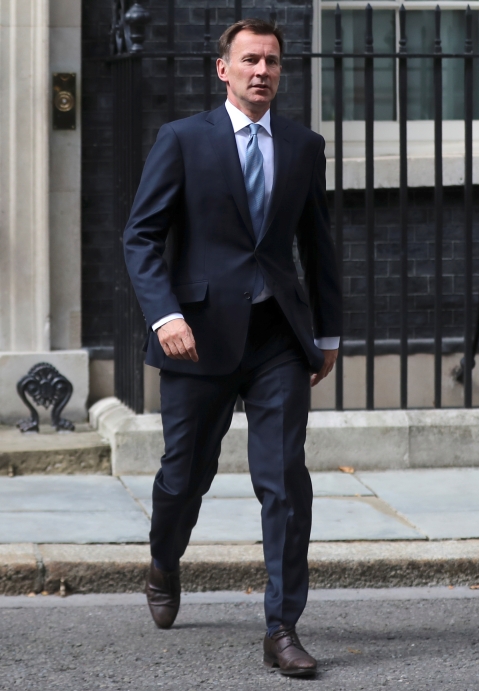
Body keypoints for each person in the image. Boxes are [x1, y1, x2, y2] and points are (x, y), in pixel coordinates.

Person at [122, 17, 341, 678]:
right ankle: (164, 557)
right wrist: (164, 316)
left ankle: (282, 627)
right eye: (249, 60)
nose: (261, 71)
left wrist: (326, 332)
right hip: (197, 339)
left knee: (283, 481)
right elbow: (140, 236)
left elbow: (318, 246)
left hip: (277, 337)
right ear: (223, 69)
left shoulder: (303, 145)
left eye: (272, 61)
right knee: (183, 476)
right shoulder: (183, 140)